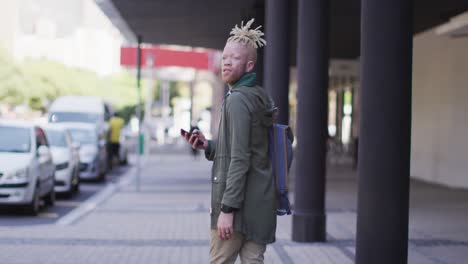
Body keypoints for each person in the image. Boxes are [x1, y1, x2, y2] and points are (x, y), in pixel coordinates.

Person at [183, 18, 276, 264]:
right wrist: (209, 146)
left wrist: (227, 210)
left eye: (234, 58)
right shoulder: (258, 97)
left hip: (238, 210)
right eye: (224, 56)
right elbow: (250, 149)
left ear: (249, 65)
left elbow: (240, 158)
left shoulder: (236, 100)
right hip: (261, 206)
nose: (226, 61)